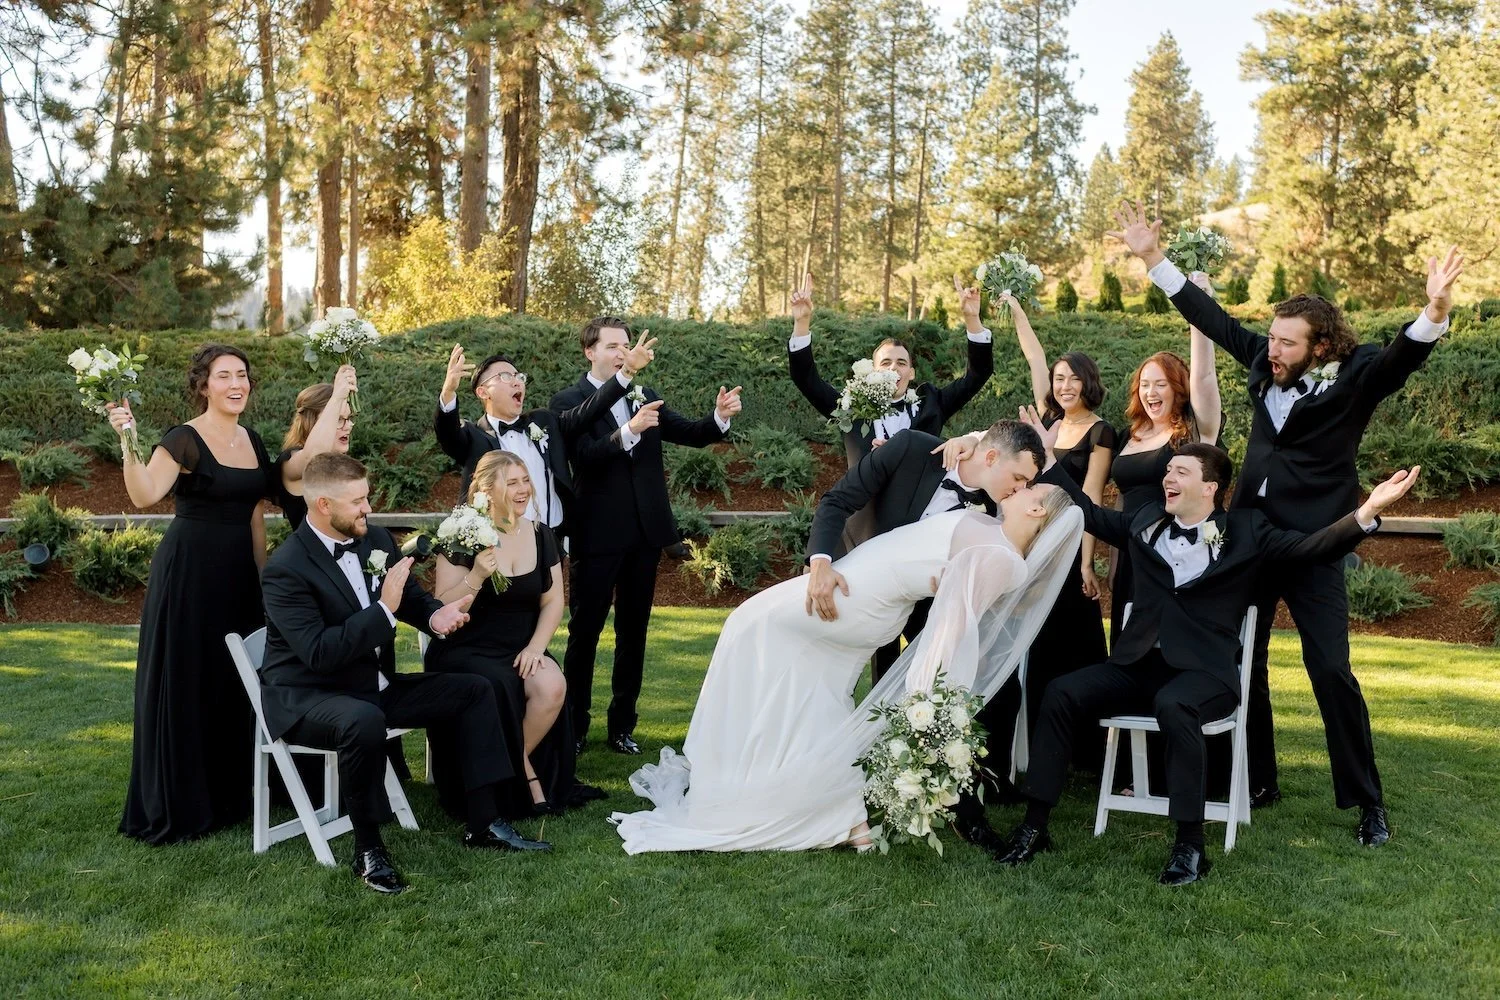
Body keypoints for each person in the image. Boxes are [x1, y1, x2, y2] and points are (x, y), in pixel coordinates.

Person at [1109, 199, 1464, 846]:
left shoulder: (1353, 378)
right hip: (1245, 536)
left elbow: (1399, 364)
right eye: (1269, 339)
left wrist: (1434, 313)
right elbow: (1213, 318)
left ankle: (1367, 801)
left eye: (1285, 342)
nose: (1271, 350)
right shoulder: (1262, 362)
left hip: (1316, 544)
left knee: (1330, 668)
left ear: (1321, 347)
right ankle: (1258, 777)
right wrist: (1154, 260)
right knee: (1242, 658)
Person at [997, 435, 1420, 884]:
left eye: (1180, 472)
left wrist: (1366, 513)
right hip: (1139, 667)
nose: (1168, 478)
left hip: (1206, 676)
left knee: (1175, 705)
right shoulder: (1144, 521)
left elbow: (1310, 550)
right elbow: (1087, 510)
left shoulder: (1248, 532)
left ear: (1210, 488)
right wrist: (1046, 460)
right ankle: (1034, 827)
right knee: (1062, 691)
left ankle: (1190, 848)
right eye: (1167, 471)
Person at [610, 486, 1082, 854]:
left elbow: (957, 623)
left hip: (858, 601)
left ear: (1038, 512)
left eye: (1029, 491)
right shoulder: (993, 537)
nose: (1019, 490)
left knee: (747, 623)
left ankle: (742, 780)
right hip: (861, 589)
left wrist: (926, 689)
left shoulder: (1004, 560)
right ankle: (835, 813)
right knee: (812, 688)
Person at [258, 452, 549, 895]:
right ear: (323, 506)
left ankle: (485, 822)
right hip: (309, 699)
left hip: (371, 688)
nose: (367, 508)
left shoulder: (374, 539)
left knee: (475, 689)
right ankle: (369, 849)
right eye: (357, 501)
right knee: (363, 719)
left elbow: (411, 599)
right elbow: (319, 653)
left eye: (366, 497)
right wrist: (383, 610)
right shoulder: (286, 570)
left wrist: (436, 618)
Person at [802, 418, 1047, 851]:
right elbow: (836, 500)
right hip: (865, 587)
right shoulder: (913, 449)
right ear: (991, 458)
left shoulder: (997, 506)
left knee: (989, 689)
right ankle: (865, 783)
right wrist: (821, 561)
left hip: (933, 602)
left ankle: (967, 798)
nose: (1019, 489)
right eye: (1019, 478)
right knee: (873, 690)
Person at [550, 316, 742, 756]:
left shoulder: (645, 394)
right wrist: (629, 431)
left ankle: (622, 727)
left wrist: (719, 416)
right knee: (585, 632)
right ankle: (575, 725)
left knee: (633, 633)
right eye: (613, 346)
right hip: (597, 534)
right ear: (589, 351)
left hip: (645, 535)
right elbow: (586, 456)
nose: (622, 352)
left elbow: (690, 433)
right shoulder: (568, 400)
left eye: (625, 346)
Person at [111, 344, 279, 845]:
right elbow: (144, 494)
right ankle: (182, 799)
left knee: (233, 681)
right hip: (188, 576)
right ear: (203, 385)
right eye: (224, 375)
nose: (236, 384)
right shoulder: (184, 438)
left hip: (237, 577)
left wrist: (263, 574)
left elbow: (254, 512)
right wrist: (127, 442)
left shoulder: (253, 441)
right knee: (188, 679)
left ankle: (228, 794)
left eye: (243, 375)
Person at [425, 451, 603, 817]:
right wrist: (475, 577)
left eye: (525, 480)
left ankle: (513, 760)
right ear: (487, 491)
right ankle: (524, 776)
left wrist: (537, 647)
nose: (523, 490)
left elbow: (554, 601)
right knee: (499, 686)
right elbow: (441, 607)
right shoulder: (461, 534)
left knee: (552, 686)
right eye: (513, 482)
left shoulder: (541, 534)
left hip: (521, 645)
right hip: (468, 647)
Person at [994, 291, 1114, 780]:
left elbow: (1093, 498)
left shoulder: (1101, 432)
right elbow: (1034, 356)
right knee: (1037, 643)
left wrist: (1086, 562)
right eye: (1058, 379)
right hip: (1034, 549)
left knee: (1079, 647)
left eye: (1073, 378)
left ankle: (1088, 754)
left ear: (1088, 383)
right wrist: (1018, 312)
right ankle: (1045, 751)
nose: (1063, 385)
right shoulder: (1046, 422)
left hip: (1070, 550)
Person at [434, 334, 657, 539]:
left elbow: (589, 409)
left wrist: (626, 372)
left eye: (518, 376)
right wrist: (448, 393)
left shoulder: (545, 421)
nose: (516, 381)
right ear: (483, 392)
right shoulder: (474, 437)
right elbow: (448, 435)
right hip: (497, 543)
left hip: (551, 538)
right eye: (504, 376)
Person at [1108, 270, 1222, 647]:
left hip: (1170, 551)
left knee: (1165, 648)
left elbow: (1204, 377)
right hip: (1127, 551)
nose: (1150, 392)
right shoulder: (1128, 435)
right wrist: (1112, 562)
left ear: (1177, 390)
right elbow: (1122, 496)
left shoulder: (1193, 433)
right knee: (1125, 650)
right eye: (1144, 385)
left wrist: (1198, 316)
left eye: (1160, 384)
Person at [786, 273, 995, 468]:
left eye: (901, 363)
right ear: (873, 371)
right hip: (865, 505)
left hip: (919, 505)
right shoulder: (850, 407)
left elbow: (977, 374)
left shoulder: (933, 404)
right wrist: (802, 322)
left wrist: (972, 320)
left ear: (911, 373)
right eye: (885, 363)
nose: (894, 367)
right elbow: (805, 378)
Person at [276, 365, 356, 530]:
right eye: (339, 419)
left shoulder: (341, 463)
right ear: (312, 421)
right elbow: (313, 457)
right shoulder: (291, 462)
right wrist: (337, 397)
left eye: (349, 418)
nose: (348, 426)